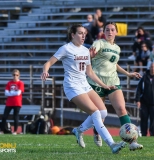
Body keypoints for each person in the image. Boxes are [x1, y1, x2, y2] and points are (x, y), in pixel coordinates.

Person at [41, 24, 126, 154]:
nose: (83, 36)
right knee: (96, 113)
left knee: (103, 112)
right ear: (72, 35)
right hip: (72, 86)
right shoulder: (66, 48)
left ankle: (78, 130)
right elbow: (48, 63)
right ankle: (112, 144)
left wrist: (105, 86)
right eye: (80, 33)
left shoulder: (86, 50)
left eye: (85, 33)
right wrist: (45, 71)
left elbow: (90, 73)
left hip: (84, 85)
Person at [85, 22, 143, 151]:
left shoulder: (117, 48)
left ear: (116, 32)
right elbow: (90, 54)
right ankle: (96, 132)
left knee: (122, 109)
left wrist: (128, 73)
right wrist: (91, 55)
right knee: (100, 114)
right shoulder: (99, 43)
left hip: (113, 81)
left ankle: (132, 141)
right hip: (97, 83)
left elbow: (114, 64)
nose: (109, 32)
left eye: (112, 30)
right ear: (104, 32)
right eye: (107, 30)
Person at [135, 62, 154, 136]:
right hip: (144, 102)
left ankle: (152, 134)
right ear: (149, 67)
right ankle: (143, 133)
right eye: (151, 67)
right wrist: (138, 100)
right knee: (144, 118)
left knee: (153, 119)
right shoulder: (144, 77)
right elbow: (139, 89)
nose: (153, 68)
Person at [0, 69, 24, 135]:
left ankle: (15, 131)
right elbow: (6, 93)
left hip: (17, 102)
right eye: (14, 75)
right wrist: (13, 93)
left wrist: (11, 92)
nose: (15, 76)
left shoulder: (20, 83)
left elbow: (18, 93)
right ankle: (1, 131)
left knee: (15, 117)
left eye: (17, 75)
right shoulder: (9, 83)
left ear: (19, 75)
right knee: (4, 116)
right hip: (9, 102)